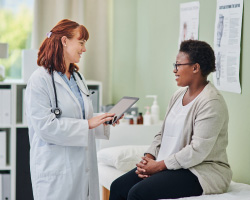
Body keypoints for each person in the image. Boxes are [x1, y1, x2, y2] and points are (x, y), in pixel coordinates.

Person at [109, 40, 232, 200]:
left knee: (137, 193)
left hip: (201, 171)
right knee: (118, 187)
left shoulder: (211, 102)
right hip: (172, 165)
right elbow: (162, 133)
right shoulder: (178, 95)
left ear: (195, 68)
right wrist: (149, 158)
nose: (174, 70)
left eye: (178, 65)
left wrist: (159, 166)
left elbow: (197, 150)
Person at [25, 19, 118, 200]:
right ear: (64, 41)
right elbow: (45, 127)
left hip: (82, 169)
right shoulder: (40, 80)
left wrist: (102, 120)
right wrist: (87, 125)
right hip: (56, 172)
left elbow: (82, 118)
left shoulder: (77, 77)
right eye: (81, 43)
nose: (84, 49)